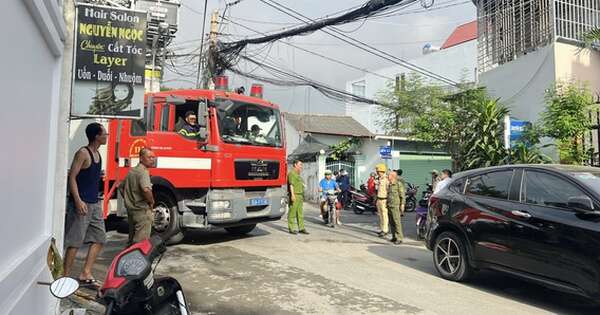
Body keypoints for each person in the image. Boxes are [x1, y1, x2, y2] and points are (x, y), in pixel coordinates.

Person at [64, 123, 108, 288]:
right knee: (75, 242)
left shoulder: (98, 154)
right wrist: (77, 200)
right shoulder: (83, 153)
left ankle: (86, 272)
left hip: (94, 203)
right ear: (97, 136)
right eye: (104, 133)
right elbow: (72, 177)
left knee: (100, 238)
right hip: (81, 203)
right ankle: (65, 277)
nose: (106, 136)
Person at [122, 148, 157, 246]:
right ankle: (133, 261)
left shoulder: (132, 171)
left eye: (153, 157)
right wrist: (151, 201)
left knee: (131, 241)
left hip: (131, 211)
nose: (152, 159)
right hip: (142, 211)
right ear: (141, 158)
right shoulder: (143, 172)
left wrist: (129, 199)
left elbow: (121, 187)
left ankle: (127, 260)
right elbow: (146, 189)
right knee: (140, 244)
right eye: (149, 157)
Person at [288, 160, 309, 235]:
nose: (301, 166)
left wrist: (303, 185)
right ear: (295, 165)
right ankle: (291, 228)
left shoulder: (298, 174)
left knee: (300, 213)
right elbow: (291, 185)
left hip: (300, 195)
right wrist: (292, 195)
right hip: (295, 195)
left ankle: (301, 228)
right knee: (292, 212)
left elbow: (299, 183)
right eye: (300, 164)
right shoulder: (292, 174)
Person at [387, 171, 404, 245]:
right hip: (389, 205)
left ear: (393, 176)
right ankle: (394, 236)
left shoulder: (398, 184)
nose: (388, 176)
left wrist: (402, 205)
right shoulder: (390, 184)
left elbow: (402, 195)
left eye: (389, 175)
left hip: (395, 206)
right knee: (391, 222)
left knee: (397, 222)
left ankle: (399, 238)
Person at [375, 163, 389, 237]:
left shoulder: (386, 179)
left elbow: (388, 190)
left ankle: (385, 230)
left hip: (384, 200)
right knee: (380, 215)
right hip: (379, 199)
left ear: (382, 171)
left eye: (378, 171)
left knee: (384, 216)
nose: (377, 172)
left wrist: (388, 201)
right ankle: (381, 229)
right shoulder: (379, 179)